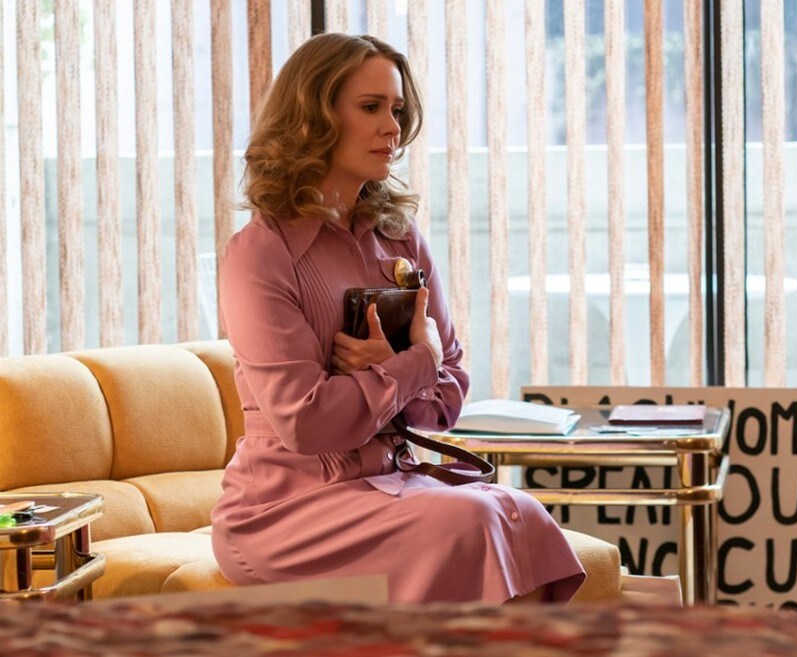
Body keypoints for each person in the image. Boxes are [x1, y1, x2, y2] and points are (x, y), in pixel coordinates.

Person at [211, 33, 585, 604]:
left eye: (397, 109)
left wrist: (397, 368)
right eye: (371, 107)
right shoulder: (260, 253)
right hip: (284, 512)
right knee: (472, 522)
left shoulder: (401, 237)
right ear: (313, 117)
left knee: (522, 513)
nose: (393, 127)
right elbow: (306, 423)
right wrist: (415, 363)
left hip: (389, 483)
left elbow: (448, 399)